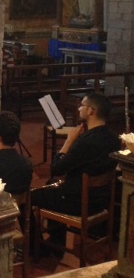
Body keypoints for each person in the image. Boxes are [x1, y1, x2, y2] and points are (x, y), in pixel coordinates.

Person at [31, 93, 120, 251]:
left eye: (82, 105)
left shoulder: (85, 143)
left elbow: (56, 169)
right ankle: (57, 240)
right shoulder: (113, 138)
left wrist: (68, 141)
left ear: (91, 111)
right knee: (51, 185)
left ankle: (34, 246)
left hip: (78, 203)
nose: (79, 108)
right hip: (101, 199)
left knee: (28, 197)